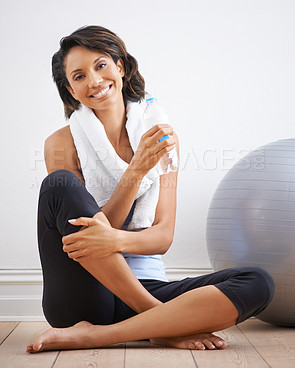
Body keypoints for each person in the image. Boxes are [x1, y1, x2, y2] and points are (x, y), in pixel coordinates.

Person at [27, 26, 274, 353]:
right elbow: (88, 235)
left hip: (150, 286)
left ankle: (97, 335)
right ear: (71, 91)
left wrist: (116, 239)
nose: (94, 80)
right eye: (79, 76)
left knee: (258, 283)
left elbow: (163, 236)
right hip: (84, 296)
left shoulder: (160, 138)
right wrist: (136, 171)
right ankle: (159, 321)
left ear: (121, 67)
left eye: (101, 65)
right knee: (59, 188)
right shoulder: (60, 143)